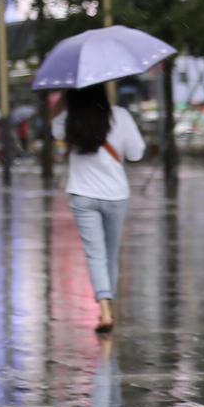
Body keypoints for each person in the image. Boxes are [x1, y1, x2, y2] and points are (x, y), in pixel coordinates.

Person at [53, 86, 146, 333]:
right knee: (110, 255)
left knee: (95, 255)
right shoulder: (121, 116)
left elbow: (54, 130)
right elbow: (137, 154)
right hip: (115, 195)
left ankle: (104, 308)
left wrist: (62, 99)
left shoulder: (68, 118)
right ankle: (109, 306)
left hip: (83, 195)